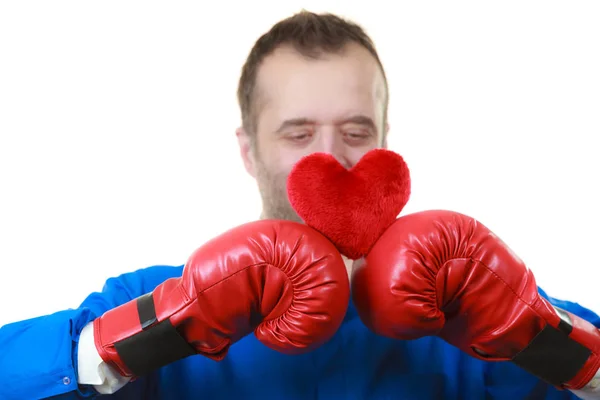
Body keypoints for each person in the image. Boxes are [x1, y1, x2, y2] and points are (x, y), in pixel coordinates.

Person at [0, 10, 599, 400]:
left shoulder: (477, 317)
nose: (330, 158)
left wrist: (535, 331)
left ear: (385, 144)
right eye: (297, 132)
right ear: (249, 150)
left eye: (357, 131)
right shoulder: (153, 298)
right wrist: (157, 330)